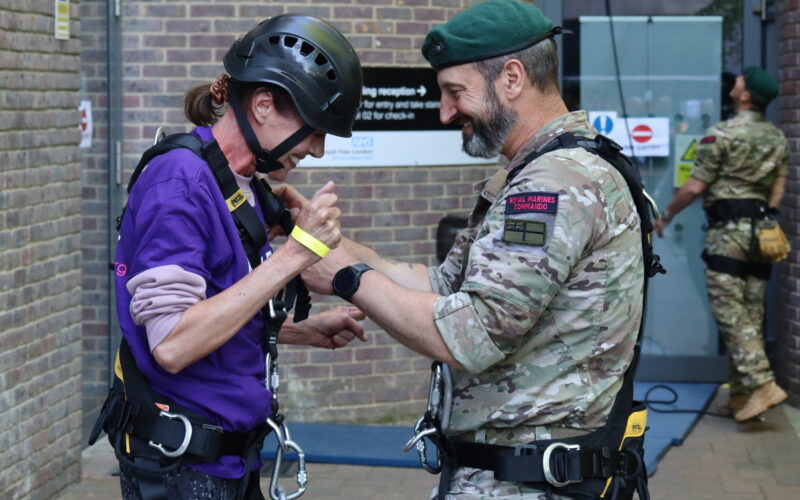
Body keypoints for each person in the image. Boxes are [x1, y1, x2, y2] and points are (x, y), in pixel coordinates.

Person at [284, 1, 649, 498]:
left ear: (512, 78)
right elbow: (443, 286)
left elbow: (472, 333)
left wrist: (348, 276)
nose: (445, 111)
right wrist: (327, 243)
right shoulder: (538, 172)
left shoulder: (554, 185)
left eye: (456, 92)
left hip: (528, 482)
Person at [97, 15, 366, 500]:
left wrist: (296, 331)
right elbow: (174, 343)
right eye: (315, 129)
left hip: (226, 460)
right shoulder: (179, 184)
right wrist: (294, 256)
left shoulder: (234, 183)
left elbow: (214, 304)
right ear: (263, 105)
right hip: (182, 467)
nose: (318, 151)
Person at [654, 66, 790, 423]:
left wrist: (666, 214)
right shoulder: (776, 136)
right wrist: (768, 217)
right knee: (750, 314)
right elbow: (779, 186)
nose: (736, 83)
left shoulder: (722, 134)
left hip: (727, 235)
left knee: (729, 314)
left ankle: (762, 384)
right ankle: (742, 396)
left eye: (741, 81)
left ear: (745, 96)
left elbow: (695, 186)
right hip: (762, 236)